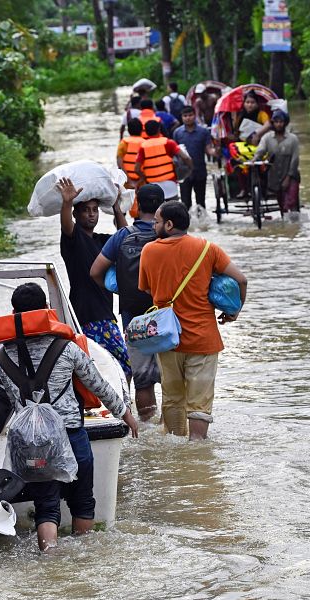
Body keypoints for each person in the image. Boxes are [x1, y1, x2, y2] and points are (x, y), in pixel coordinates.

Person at [0, 283, 137, 552]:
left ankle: (49, 558)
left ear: (14, 313)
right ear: (46, 310)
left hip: (31, 445)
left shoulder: (2, 357)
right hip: (71, 437)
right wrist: (125, 415)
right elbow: (99, 385)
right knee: (83, 501)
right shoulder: (67, 348)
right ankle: (82, 558)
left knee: (46, 506)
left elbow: (9, 402)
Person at [138, 202, 247, 440]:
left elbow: (147, 290)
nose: (154, 225)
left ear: (169, 224)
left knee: (173, 397)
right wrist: (234, 311)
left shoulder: (149, 251)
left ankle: (177, 452)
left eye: (156, 221)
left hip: (168, 339)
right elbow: (241, 280)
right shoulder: (208, 249)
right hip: (203, 339)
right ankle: (197, 452)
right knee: (200, 403)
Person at [88, 183, 167, 421]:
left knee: (143, 381)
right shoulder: (169, 235)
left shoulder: (123, 236)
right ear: (163, 207)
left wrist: (119, 289)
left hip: (134, 319)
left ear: (137, 205)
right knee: (172, 381)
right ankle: (170, 431)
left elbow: (95, 272)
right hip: (168, 318)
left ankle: (148, 427)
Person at [56, 177, 132, 379]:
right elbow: (66, 225)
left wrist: (117, 208)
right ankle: (122, 407)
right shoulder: (73, 239)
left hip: (105, 312)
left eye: (95, 210)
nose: (91, 214)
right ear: (76, 214)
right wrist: (67, 202)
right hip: (88, 315)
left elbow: (126, 238)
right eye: (86, 210)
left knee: (107, 369)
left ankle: (116, 406)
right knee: (124, 364)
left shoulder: (103, 241)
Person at [255, 110, 301, 219]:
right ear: (273, 123)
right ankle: (285, 228)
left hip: (291, 175)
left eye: (281, 122)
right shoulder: (267, 138)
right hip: (275, 177)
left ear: (285, 123)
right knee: (282, 206)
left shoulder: (293, 139)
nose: (279, 124)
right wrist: (255, 159)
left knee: (291, 202)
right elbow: (260, 150)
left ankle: (294, 228)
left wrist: (288, 177)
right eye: (276, 122)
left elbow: (295, 160)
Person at [172, 105, 216, 211]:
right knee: (185, 203)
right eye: (185, 116)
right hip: (183, 172)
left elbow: (208, 149)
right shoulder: (177, 133)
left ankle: (202, 225)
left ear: (195, 116)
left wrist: (216, 151)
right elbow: (174, 154)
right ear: (182, 117)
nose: (188, 118)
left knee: (201, 202)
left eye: (190, 115)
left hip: (200, 170)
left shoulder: (203, 132)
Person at [134, 119, 191, 187]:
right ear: (159, 130)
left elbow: (137, 169)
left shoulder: (143, 146)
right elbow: (186, 158)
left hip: (152, 185)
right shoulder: (169, 143)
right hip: (170, 183)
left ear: (146, 132)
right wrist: (190, 168)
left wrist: (145, 178)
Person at [117, 118, 146, 187]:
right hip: (142, 183)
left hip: (127, 183)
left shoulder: (123, 143)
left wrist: (130, 181)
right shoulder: (145, 143)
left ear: (128, 130)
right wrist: (141, 180)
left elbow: (119, 163)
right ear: (141, 130)